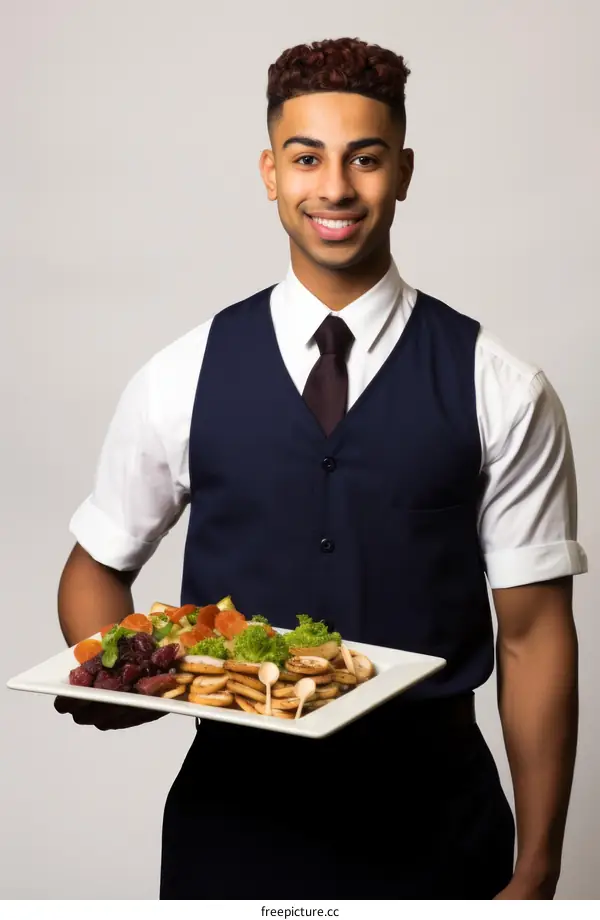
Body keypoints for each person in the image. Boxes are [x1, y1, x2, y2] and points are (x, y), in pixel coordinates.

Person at [55, 37, 587, 899]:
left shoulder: (502, 385)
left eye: (365, 159)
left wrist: (539, 865)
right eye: (307, 158)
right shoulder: (180, 373)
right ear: (270, 173)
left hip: (438, 834)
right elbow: (94, 569)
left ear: (403, 172)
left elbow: (532, 636)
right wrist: (117, 673)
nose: (334, 188)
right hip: (232, 834)